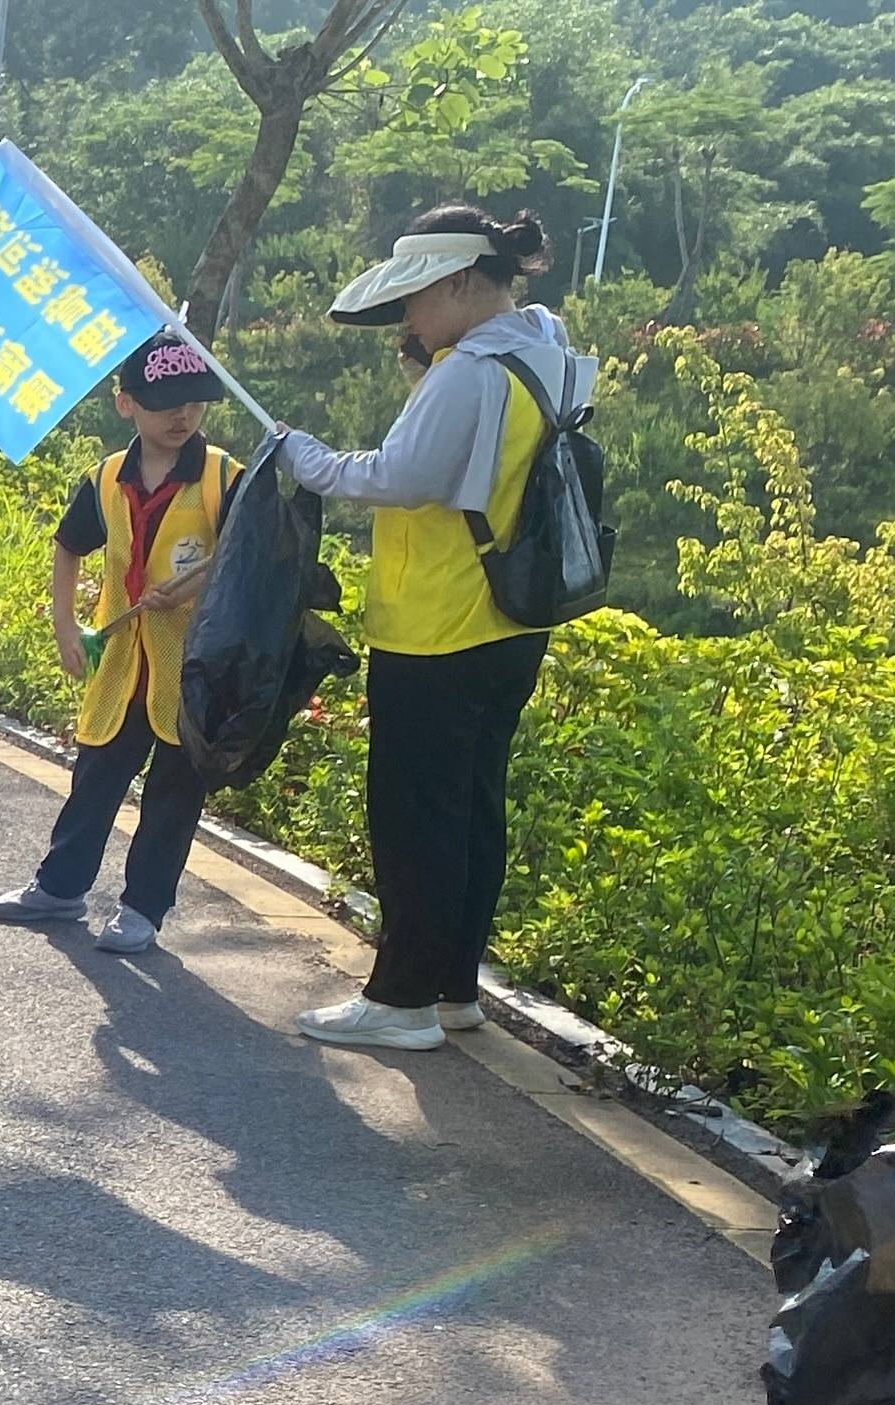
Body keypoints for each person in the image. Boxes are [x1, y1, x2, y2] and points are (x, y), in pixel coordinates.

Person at [273, 203, 590, 1051]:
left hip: (436, 623)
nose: (408, 317)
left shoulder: (468, 370)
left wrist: (304, 455)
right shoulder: (549, 355)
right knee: (474, 807)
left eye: (416, 296)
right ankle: (454, 987)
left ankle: (401, 1000)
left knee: (414, 814)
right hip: (515, 622)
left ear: (459, 281)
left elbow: (402, 476)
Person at [0, 337, 239, 953]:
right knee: (96, 775)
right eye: (165, 404)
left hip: (191, 670)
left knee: (173, 793)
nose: (182, 417)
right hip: (121, 662)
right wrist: (65, 626)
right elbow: (69, 546)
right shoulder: (106, 478)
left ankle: (142, 909)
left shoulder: (222, 477)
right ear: (126, 404)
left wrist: (189, 589)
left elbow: (247, 558)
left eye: (193, 403)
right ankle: (61, 887)